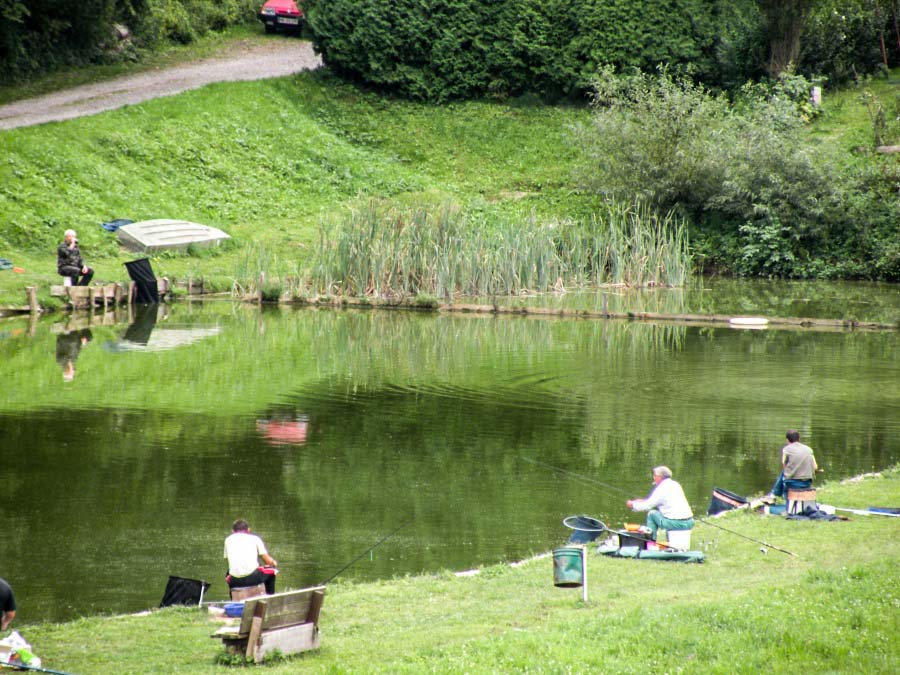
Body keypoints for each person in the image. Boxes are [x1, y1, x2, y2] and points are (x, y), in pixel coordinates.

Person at [626, 466, 694, 540]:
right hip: (689, 522)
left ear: (660, 477)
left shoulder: (661, 488)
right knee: (668, 517)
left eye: (654, 475)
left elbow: (647, 506)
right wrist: (643, 501)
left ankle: (651, 541)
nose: (654, 478)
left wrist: (633, 505)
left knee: (652, 514)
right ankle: (670, 542)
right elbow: (660, 500)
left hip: (677, 524)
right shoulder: (675, 484)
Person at [224, 519, 278, 595]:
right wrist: (273, 563)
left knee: (228, 574)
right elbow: (267, 560)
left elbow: (228, 561)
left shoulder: (227, 540)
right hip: (251, 579)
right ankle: (270, 596)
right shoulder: (255, 539)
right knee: (272, 571)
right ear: (248, 530)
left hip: (234, 581)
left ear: (233, 531)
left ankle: (234, 598)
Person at [766, 429, 817, 504]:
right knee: (785, 474)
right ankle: (773, 494)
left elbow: (784, 465)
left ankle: (774, 494)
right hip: (807, 483)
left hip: (792, 483)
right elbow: (815, 467)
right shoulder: (809, 449)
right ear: (799, 439)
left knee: (783, 474)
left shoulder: (786, 449)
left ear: (787, 440)